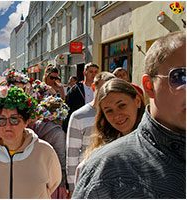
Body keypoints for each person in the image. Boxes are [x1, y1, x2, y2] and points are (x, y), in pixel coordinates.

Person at [73, 31, 185, 198]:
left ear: (137, 101)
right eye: (181, 76)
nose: (117, 115)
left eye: (122, 105)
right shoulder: (107, 169)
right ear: (149, 86)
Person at [0, 86, 62, 198]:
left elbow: (53, 183)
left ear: (26, 121)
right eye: (1, 119)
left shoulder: (45, 151)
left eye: (14, 119)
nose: (8, 125)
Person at [66, 72, 115, 196]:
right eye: (103, 89)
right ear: (94, 88)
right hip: (85, 178)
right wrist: (72, 186)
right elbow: (72, 152)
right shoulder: (79, 116)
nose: (106, 94)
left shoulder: (116, 116)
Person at [32, 96, 69, 199]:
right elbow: (61, 157)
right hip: (54, 180)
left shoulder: (35, 127)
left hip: (37, 175)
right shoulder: (58, 133)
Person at [64, 63, 99, 132]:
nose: (93, 74)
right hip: (80, 123)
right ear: (84, 73)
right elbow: (68, 107)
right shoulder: (76, 89)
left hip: (95, 123)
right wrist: (66, 128)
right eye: (91, 72)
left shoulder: (100, 88)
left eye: (96, 72)